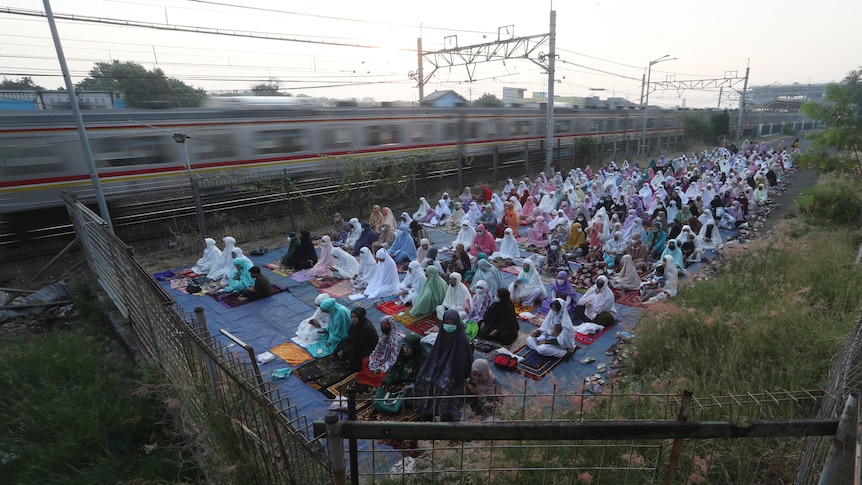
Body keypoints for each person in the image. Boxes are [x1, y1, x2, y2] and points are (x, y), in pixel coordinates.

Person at [413, 309, 474, 422]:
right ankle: (425, 409)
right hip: (439, 365)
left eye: (451, 323)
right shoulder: (442, 335)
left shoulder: (462, 341)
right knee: (422, 377)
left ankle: (442, 414)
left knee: (443, 385)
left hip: (454, 372)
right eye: (446, 323)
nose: (448, 326)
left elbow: (462, 365)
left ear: (457, 324)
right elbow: (435, 355)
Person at [373, 333, 428, 413]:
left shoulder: (423, 358)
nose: (406, 349)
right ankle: (382, 403)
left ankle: (396, 406)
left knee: (413, 397)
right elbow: (396, 369)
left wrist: (412, 386)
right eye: (404, 346)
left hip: (414, 385)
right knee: (384, 384)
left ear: (415, 348)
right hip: (401, 381)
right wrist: (388, 380)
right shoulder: (403, 354)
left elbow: (425, 378)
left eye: (409, 348)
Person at [354, 316, 404, 389]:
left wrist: (380, 369)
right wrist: (373, 362)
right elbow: (378, 350)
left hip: (390, 363)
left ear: (391, 325)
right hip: (381, 359)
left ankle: (374, 380)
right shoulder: (383, 334)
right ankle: (372, 377)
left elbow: (394, 360)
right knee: (365, 361)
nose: (384, 327)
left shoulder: (397, 339)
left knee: (381, 376)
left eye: (386, 325)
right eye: (382, 325)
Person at [334, 307, 379, 372]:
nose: (353, 319)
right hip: (355, 345)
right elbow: (350, 338)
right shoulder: (355, 325)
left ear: (360, 317)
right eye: (352, 317)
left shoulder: (366, 328)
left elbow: (359, 345)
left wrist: (345, 351)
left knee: (349, 362)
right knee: (338, 349)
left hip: (365, 350)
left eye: (355, 317)